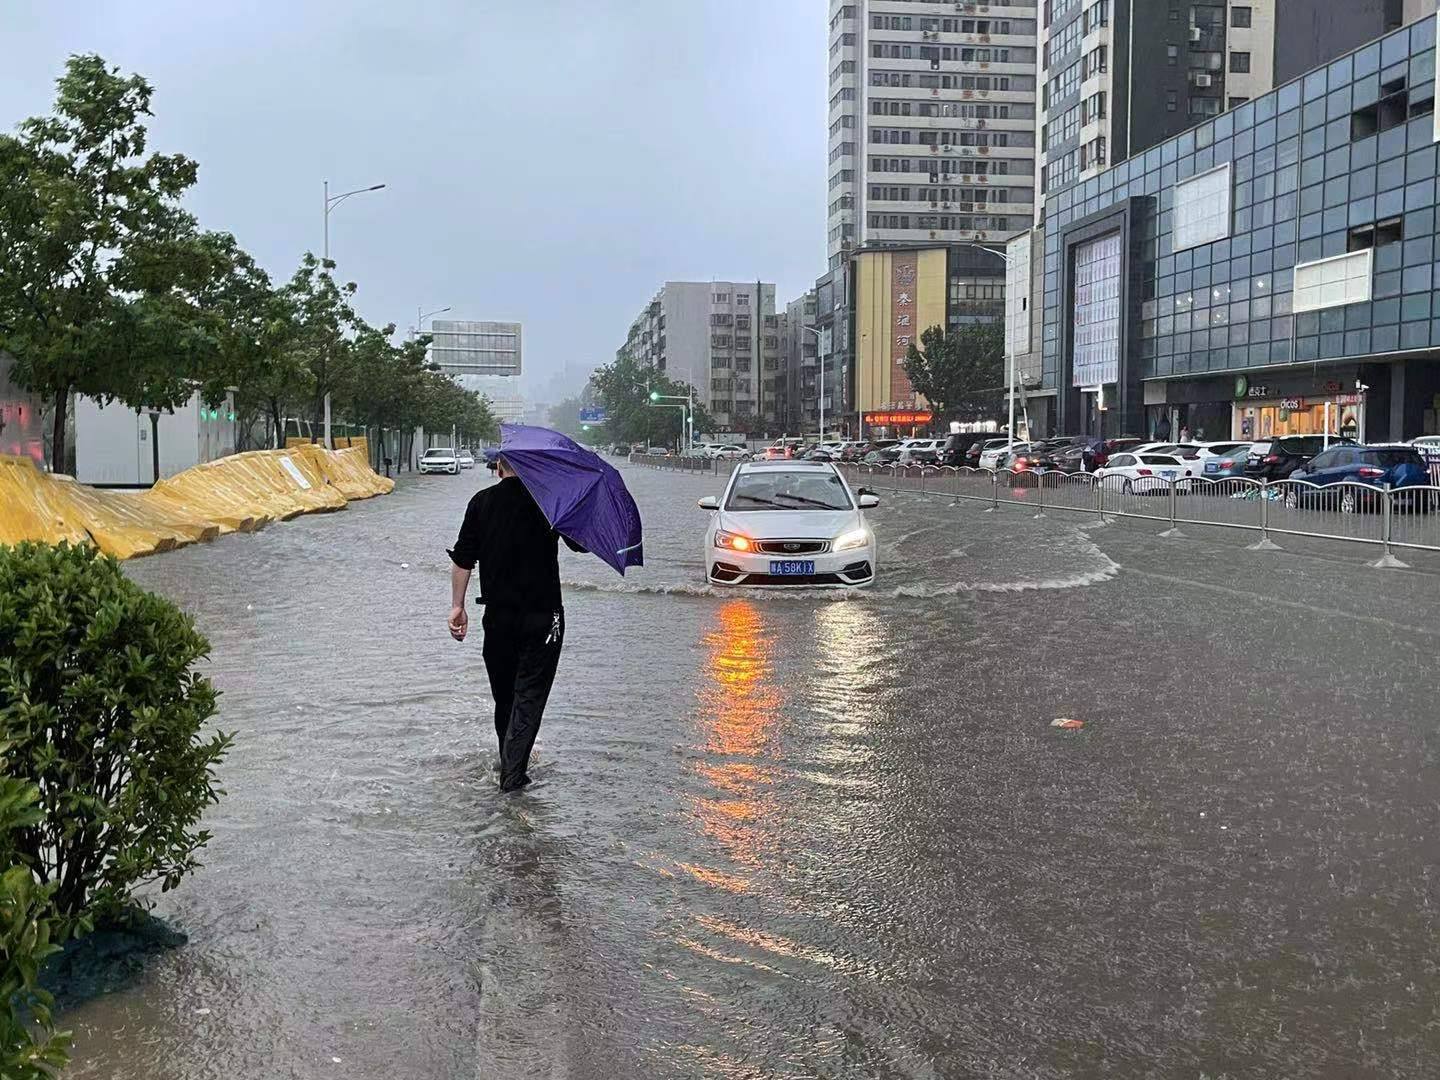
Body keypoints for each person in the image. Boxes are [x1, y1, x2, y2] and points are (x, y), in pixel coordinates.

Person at [447, 457, 585, 792]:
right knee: (530, 696)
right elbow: (580, 545)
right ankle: (512, 778)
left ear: (498, 468)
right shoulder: (549, 502)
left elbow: (463, 559)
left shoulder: (481, 502)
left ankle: (507, 761)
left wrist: (456, 607)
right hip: (545, 618)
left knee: (506, 696)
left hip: (498, 616)